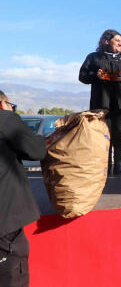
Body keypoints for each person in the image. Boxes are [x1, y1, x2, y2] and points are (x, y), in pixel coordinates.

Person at [0, 91, 46, 286]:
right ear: (3, 104)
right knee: (12, 275)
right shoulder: (5, 118)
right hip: (4, 223)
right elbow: (36, 150)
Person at [79, 29, 121, 176]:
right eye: (117, 40)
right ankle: (105, 165)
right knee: (102, 135)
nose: (120, 43)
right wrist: (97, 76)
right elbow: (82, 76)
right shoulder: (93, 57)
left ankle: (117, 165)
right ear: (107, 41)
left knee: (118, 135)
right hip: (101, 104)